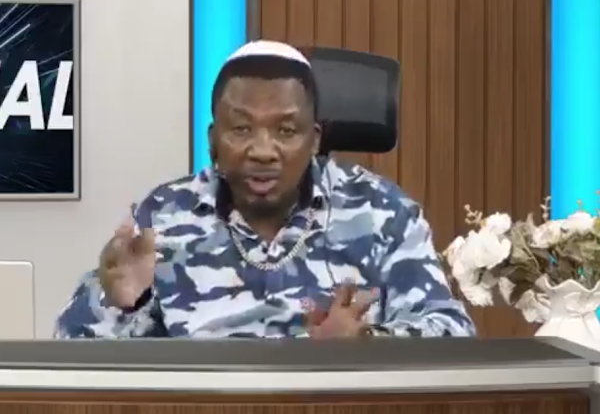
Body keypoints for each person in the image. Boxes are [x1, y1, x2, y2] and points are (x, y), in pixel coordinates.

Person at [55, 40, 476, 339]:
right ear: (213, 141)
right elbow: (71, 352)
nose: (262, 151)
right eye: (241, 129)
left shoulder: (382, 212)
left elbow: (452, 333)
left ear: (314, 140)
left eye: (286, 130)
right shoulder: (162, 217)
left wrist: (366, 346)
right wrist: (121, 305)